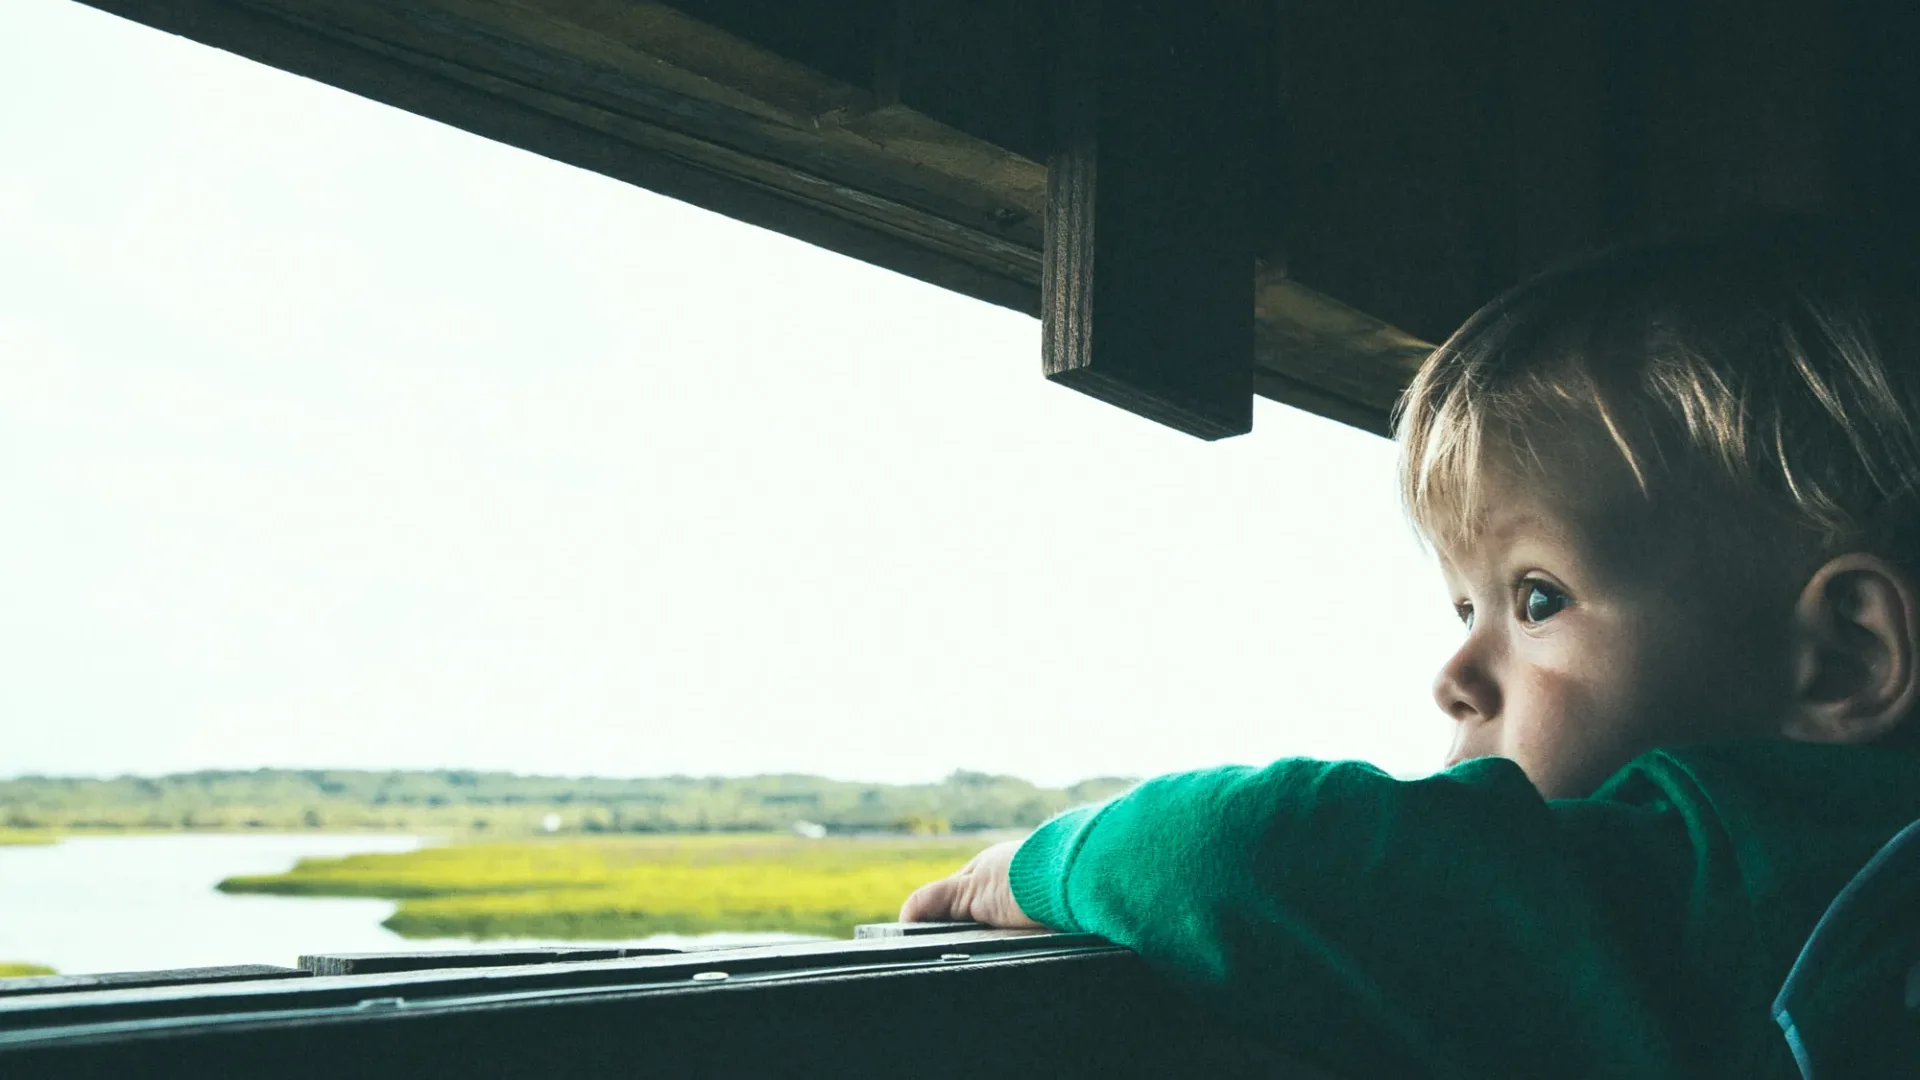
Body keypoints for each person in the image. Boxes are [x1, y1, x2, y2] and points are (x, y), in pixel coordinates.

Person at [900, 217, 1920, 1079]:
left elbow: (1243, 854)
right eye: (1462, 613)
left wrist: (1030, 870)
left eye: (1536, 598)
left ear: (1846, 657)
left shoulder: (1734, 880)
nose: (1456, 679)